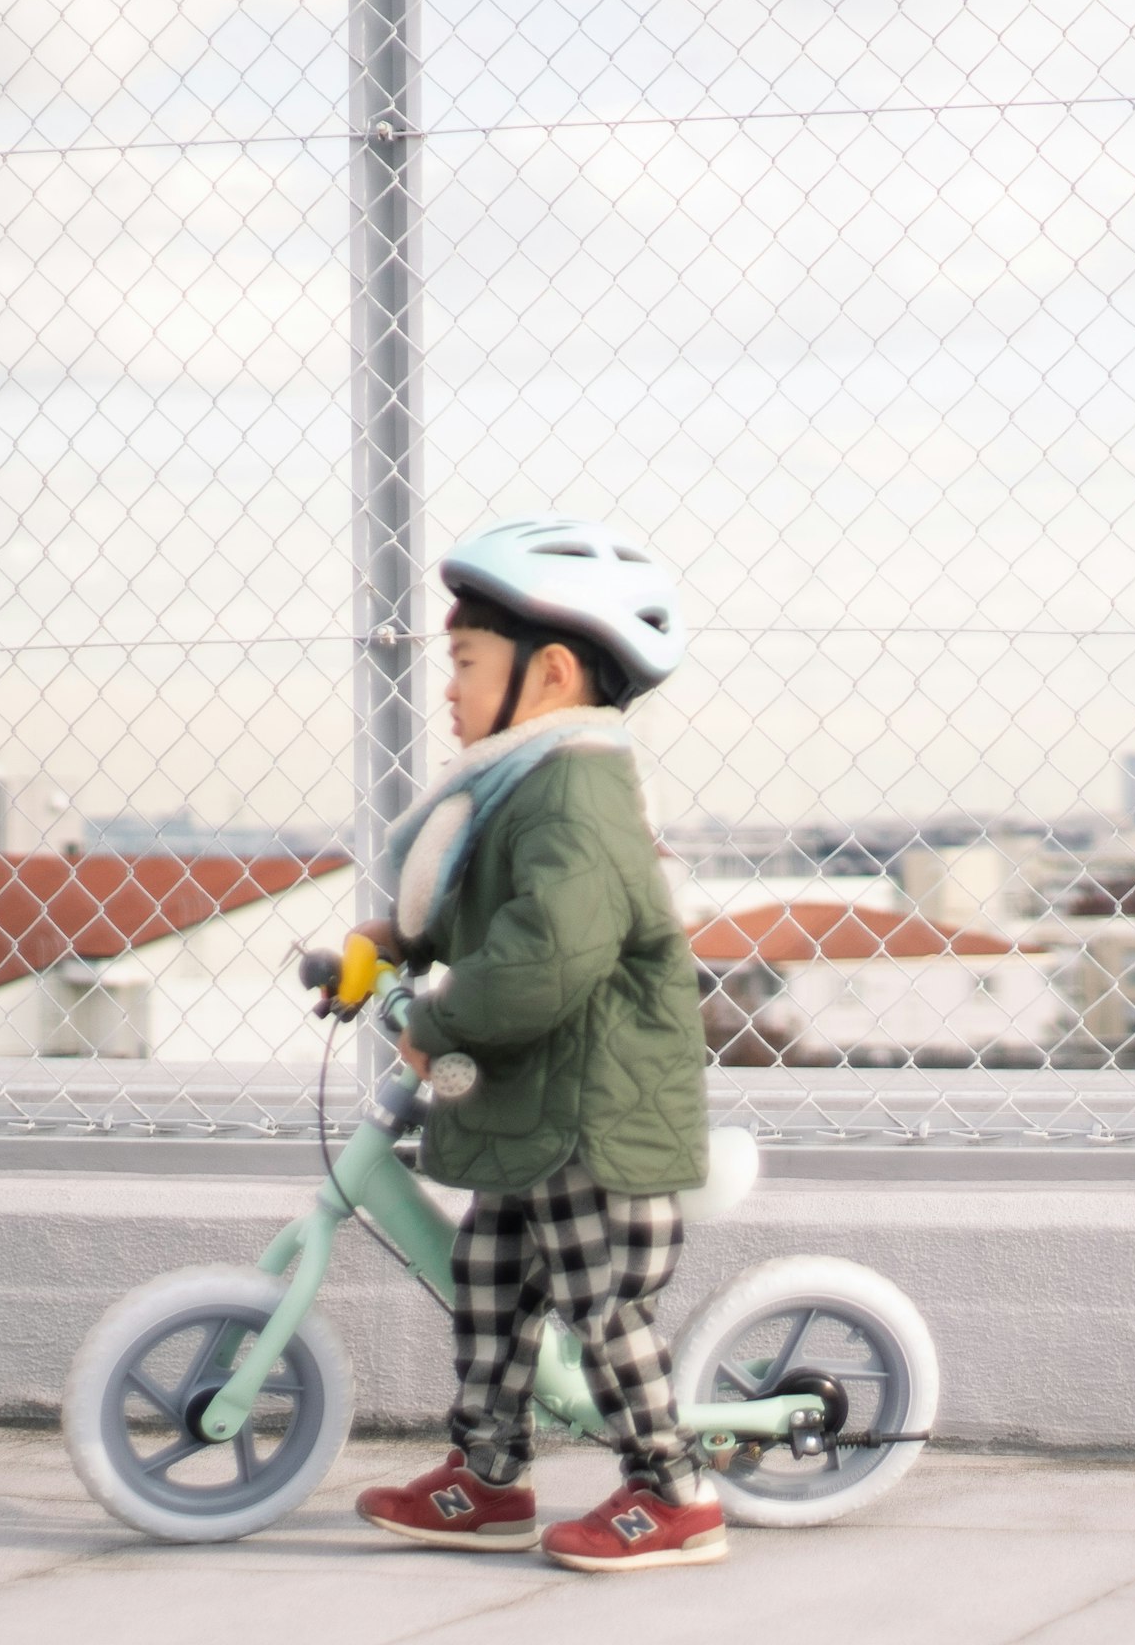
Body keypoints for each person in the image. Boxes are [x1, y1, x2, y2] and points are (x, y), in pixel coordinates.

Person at [349, 516, 725, 1572]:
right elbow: (490, 907)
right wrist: (394, 945)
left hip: (594, 1115)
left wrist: (437, 1021)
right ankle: (488, 1474)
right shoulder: (530, 782)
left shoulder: (576, 793)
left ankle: (675, 1489)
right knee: (489, 1282)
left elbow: (547, 950)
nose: (449, 687)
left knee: (604, 1305)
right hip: (537, 1111)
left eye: (465, 662)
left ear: (550, 673)